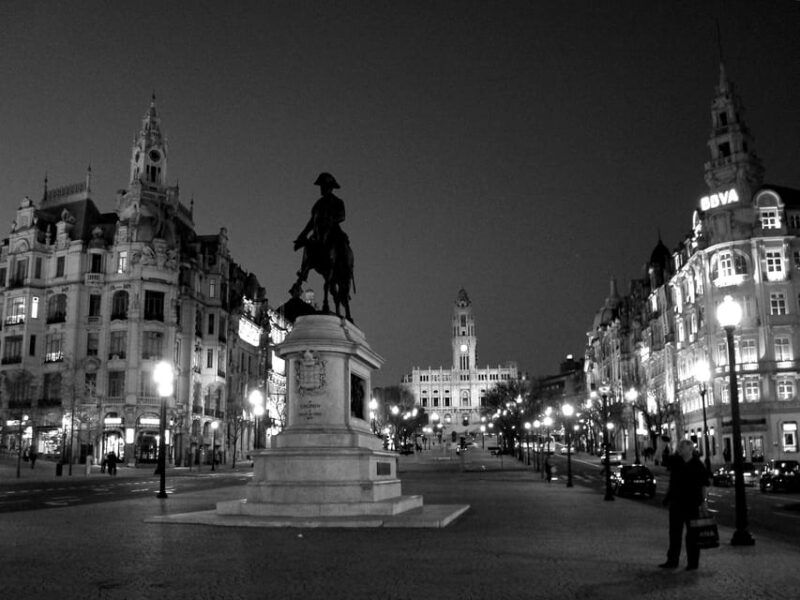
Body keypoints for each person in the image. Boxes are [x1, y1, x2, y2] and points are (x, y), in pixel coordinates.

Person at [659, 440, 710, 571]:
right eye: (679, 446)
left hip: (692, 503)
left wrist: (704, 501)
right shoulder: (675, 461)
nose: (680, 448)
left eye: (683, 446)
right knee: (674, 533)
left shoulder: (698, 465)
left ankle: (693, 563)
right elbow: (658, 458)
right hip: (676, 503)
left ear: (690, 449)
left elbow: (704, 484)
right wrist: (662, 445)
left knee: (692, 535)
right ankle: (672, 560)